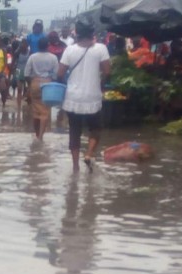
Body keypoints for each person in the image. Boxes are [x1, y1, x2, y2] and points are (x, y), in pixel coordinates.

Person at [57, 20, 111, 172]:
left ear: (77, 33)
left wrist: (68, 82)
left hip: (72, 97)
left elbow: (60, 74)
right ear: (92, 32)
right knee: (96, 128)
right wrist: (100, 82)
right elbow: (107, 72)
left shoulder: (69, 50)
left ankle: (75, 167)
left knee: (75, 130)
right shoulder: (101, 49)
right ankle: (88, 154)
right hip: (93, 96)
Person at [25, 37, 59, 140]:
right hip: (48, 84)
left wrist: (29, 85)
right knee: (45, 111)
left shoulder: (32, 57)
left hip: (35, 82)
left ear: (38, 46)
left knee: (36, 110)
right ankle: (40, 136)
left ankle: (36, 134)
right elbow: (56, 74)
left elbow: (26, 74)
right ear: (48, 45)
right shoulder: (53, 57)